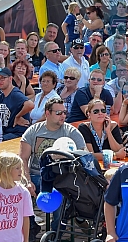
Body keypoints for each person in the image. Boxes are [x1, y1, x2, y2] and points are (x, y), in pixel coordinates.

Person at [20, 97, 86, 236]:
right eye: (58, 113)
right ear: (47, 113)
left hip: (60, 178)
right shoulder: (34, 131)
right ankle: (31, 228)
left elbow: (84, 157)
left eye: (64, 113)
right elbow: (23, 159)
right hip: (35, 175)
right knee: (18, 192)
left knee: (61, 201)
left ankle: (55, 236)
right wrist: (27, 181)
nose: (63, 116)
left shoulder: (71, 132)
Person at [0, 152, 34, 242]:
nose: (21, 171)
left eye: (20, 168)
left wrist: (26, 240)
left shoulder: (23, 192)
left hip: (15, 239)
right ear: (5, 171)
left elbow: (26, 219)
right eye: (17, 168)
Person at [78, 98, 125, 163]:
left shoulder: (113, 126)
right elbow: (89, 155)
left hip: (112, 165)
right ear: (89, 114)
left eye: (103, 111)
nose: (100, 113)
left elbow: (120, 150)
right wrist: (115, 155)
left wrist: (108, 131)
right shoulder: (84, 128)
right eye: (96, 111)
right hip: (94, 167)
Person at [0, 67, 34, 141]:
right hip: (6, 133)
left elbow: (30, 105)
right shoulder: (2, 96)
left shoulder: (15, 93)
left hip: (17, 134)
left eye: (2, 78)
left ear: (10, 79)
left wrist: (18, 117)